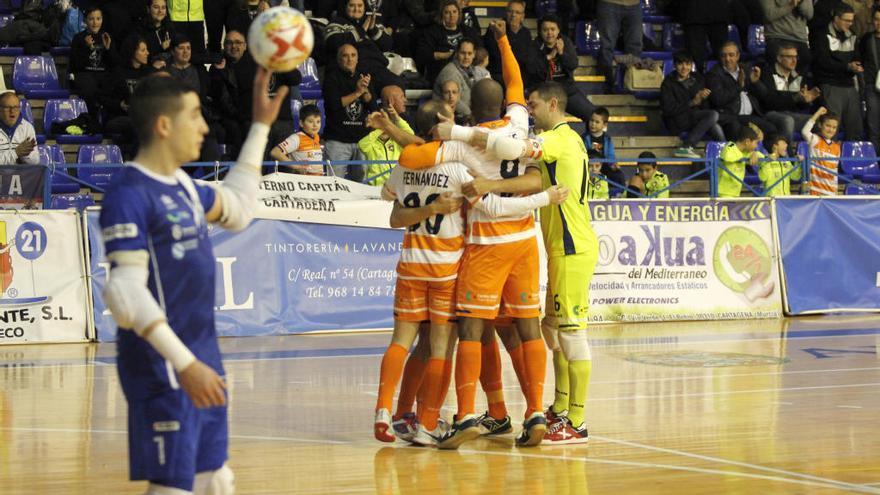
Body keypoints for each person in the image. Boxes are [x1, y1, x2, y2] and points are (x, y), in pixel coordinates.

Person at [99, 69, 287, 495]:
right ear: (164, 126)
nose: (205, 126)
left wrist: (259, 126)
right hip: (163, 363)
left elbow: (238, 208)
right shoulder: (129, 193)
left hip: (203, 355)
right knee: (173, 486)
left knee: (215, 480)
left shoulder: (183, 185)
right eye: (195, 115)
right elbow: (124, 293)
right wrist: (185, 365)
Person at [373, 99, 568, 446]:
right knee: (510, 332)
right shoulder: (515, 131)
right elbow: (534, 179)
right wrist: (546, 198)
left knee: (439, 339)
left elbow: (398, 194)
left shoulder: (438, 158)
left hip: (438, 259)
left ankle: (416, 414)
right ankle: (529, 410)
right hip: (500, 249)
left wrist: (394, 132)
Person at [396, 20, 550, 449]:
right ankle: (533, 410)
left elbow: (414, 155)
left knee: (472, 329)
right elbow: (516, 79)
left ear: (467, 104)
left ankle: (465, 416)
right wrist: (502, 40)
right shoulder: (520, 122)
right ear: (505, 103)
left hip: (485, 247)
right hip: (525, 241)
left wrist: (401, 130)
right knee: (527, 327)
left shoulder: (461, 146)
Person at [322, 43, 376, 182]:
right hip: (338, 141)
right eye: (345, 56)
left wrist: (365, 90)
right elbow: (334, 105)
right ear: (339, 59)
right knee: (334, 183)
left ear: (357, 58)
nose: (350, 59)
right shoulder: (331, 78)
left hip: (362, 140)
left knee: (363, 183)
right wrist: (357, 92)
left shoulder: (363, 77)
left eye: (353, 55)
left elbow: (372, 104)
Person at [810, 3, 863, 141]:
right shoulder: (821, 35)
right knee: (830, 128)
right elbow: (822, 61)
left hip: (849, 86)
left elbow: (856, 57)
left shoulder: (852, 35)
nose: (850, 24)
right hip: (830, 85)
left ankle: (853, 161)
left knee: (855, 127)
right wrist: (846, 66)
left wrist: (856, 65)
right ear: (836, 18)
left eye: (851, 20)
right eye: (846, 20)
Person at [706, 41, 778, 139]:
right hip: (729, 117)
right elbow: (718, 99)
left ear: (738, 56)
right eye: (724, 56)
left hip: (751, 116)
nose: (727, 59)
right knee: (736, 129)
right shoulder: (714, 74)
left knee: (771, 129)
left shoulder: (746, 69)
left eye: (731, 55)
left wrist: (756, 82)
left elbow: (764, 96)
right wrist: (739, 86)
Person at [659, 51, 723, 159]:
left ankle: (724, 152)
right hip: (676, 119)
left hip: (694, 117)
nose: (684, 67)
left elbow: (703, 105)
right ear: (675, 65)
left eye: (687, 64)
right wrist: (691, 102)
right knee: (713, 115)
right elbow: (668, 109)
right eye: (681, 64)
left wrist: (703, 98)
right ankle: (687, 146)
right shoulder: (668, 83)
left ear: (691, 65)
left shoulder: (697, 79)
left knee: (714, 124)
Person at [533, 14, 596, 124]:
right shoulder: (535, 46)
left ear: (558, 31)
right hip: (545, 93)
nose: (549, 33)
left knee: (593, 115)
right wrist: (549, 57)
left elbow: (573, 65)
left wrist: (562, 53)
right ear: (540, 32)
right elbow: (535, 71)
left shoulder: (566, 42)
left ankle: (589, 140)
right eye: (545, 30)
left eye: (553, 29)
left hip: (567, 91)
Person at [752, 44, 821, 140]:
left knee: (820, 121)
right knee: (788, 121)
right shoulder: (768, 73)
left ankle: (816, 153)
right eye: (789, 57)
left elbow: (799, 106)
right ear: (779, 58)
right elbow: (769, 101)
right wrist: (794, 98)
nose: (794, 60)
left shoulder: (799, 77)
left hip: (793, 115)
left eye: (795, 57)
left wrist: (805, 101)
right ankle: (787, 153)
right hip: (771, 114)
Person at [69, 6, 120, 115]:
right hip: (85, 75)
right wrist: (87, 48)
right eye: (91, 19)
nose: (95, 23)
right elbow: (76, 65)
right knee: (89, 86)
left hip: (103, 76)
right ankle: (92, 119)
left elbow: (114, 63)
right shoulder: (78, 38)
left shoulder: (106, 37)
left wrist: (108, 49)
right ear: (85, 20)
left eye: (98, 19)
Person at [416, 0, 482, 82]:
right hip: (443, 72)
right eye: (447, 12)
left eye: (454, 12)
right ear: (442, 15)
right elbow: (422, 54)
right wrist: (446, 55)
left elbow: (480, 49)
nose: (452, 15)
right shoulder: (432, 32)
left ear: (459, 13)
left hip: (467, 70)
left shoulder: (467, 30)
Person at [483, 0, 540, 87]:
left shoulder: (526, 33)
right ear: (506, 13)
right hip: (499, 74)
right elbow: (497, 57)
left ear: (522, 16)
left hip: (519, 75)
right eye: (510, 11)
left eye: (517, 12)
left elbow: (527, 58)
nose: (513, 15)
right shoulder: (495, 29)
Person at [359, 101, 414, 185]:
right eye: (380, 123)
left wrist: (397, 118)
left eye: (387, 122)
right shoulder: (371, 143)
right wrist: (382, 127)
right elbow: (361, 145)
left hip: (397, 185)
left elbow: (410, 134)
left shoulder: (397, 141)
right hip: (377, 188)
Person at [434, 39, 490, 120]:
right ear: (457, 53)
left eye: (469, 53)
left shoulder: (470, 69)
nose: (466, 57)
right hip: (451, 117)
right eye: (463, 53)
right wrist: (472, 117)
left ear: (474, 54)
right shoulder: (450, 72)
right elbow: (455, 102)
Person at [596, 0, 642, 93]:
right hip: (609, 3)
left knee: (635, 47)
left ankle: (632, 84)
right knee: (607, 46)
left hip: (634, 4)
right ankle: (606, 86)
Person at [760, 0, 814, 75]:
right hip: (777, 35)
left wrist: (800, 2)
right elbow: (769, 14)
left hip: (799, 38)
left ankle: (795, 85)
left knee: (806, 58)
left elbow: (809, 14)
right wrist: (791, 5)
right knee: (773, 57)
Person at [270, 103, 324, 175]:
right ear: (301, 123)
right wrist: (297, 167)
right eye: (310, 121)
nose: (315, 125)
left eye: (318, 121)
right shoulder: (296, 138)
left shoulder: (316, 136)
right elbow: (275, 152)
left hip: (318, 181)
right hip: (303, 182)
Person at [583, 107, 626, 196]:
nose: (593, 124)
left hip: (604, 166)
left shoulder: (608, 139)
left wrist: (613, 164)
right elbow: (583, 153)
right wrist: (592, 166)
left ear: (604, 125)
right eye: (591, 121)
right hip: (589, 166)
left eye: (597, 122)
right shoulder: (584, 137)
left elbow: (610, 155)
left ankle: (617, 195)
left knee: (619, 175)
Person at [801, 106, 842, 195]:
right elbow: (805, 131)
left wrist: (835, 190)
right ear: (820, 125)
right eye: (828, 125)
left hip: (830, 192)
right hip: (815, 190)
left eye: (834, 127)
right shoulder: (815, 140)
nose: (831, 129)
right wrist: (818, 113)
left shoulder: (837, 148)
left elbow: (835, 170)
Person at [718, 123, 764, 197]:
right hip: (722, 193)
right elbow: (728, 157)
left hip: (735, 194)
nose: (756, 146)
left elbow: (764, 158)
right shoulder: (730, 145)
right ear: (747, 141)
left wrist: (754, 153)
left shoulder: (747, 152)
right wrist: (746, 158)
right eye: (756, 143)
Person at [859, 6, 880, 151]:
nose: (879, 23)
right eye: (877, 19)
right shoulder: (867, 39)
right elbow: (859, 59)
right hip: (872, 86)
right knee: (873, 127)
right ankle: (876, 164)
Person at [0, 92, 38, 165]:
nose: (12, 111)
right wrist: (15, 153)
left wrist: (25, 154)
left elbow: (35, 162)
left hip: (21, 175)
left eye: (16, 107)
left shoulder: (27, 127)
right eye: (7, 107)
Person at [137, 0, 174, 68]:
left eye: (163, 8)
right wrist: (161, 47)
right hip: (149, 68)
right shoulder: (140, 30)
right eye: (156, 7)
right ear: (148, 9)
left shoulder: (170, 28)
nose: (160, 11)